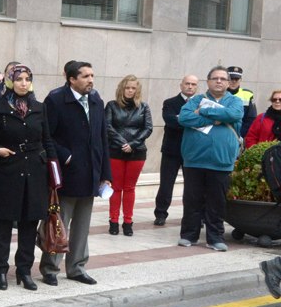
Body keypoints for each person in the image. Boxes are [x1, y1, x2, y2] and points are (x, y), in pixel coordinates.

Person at [0, 64, 56, 291]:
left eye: (27, 79)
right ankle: (0, 271)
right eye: (19, 79)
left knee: (29, 225)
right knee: (2, 224)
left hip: (34, 172)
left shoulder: (40, 108)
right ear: (10, 81)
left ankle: (24, 271)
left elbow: (47, 140)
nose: (23, 83)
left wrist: (54, 172)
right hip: (7, 171)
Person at [40, 60, 111, 286]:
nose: (91, 80)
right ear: (72, 79)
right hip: (67, 174)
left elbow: (103, 138)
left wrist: (105, 173)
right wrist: (66, 156)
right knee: (59, 223)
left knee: (82, 225)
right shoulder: (56, 99)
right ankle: (50, 267)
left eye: (92, 75)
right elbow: (46, 135)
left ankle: (77, 267)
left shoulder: (96, 100)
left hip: (91, 173)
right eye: (85, 76)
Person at [178, 67, 244, 251]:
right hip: (194, 160)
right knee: (192, 200)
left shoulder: (235, 101)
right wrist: (215, 119)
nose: (219, 81)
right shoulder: (196, 100)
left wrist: (204, 113)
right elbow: (184, 118)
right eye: (215, 78)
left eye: (223, 78)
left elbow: (234, 115)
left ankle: (215, 238)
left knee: (217, 202)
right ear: (207, 82)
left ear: (229, 82)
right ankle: (188, 235)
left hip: (221, 162)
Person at [104, 74, 153, 236]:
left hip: (137, 152)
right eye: (127, 87)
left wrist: (132, 144)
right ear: (121, 88)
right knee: (116, 187)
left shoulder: (144, 107)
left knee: (130, 188)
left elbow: (148, 128)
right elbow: (107, 126)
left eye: (133, 88)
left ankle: (128, 222)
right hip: (115, 151)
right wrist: (122, 143)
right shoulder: (111, 105)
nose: (130, 91)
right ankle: (113, 221)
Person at [153, 75, 200, 226]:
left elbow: (203, 124)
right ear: (181, 85)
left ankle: (193, 216)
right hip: (171, 150)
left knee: (193, 187)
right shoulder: (170, 103)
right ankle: (160, 213)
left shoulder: (202, 104)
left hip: (192, 151)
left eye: (193, 84)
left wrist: (183, 118)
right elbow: (171, 121)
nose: (190, 87)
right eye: (187, 84)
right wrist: (192, 119)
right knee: (166, 184)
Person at [226, 66, 256, 137]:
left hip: (240, 133)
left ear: (240, 80)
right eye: (231, 79)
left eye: (236, 79)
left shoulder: (248, 94)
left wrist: (240, 134)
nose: (233, 81)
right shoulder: (219, 93)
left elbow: (251, 118)